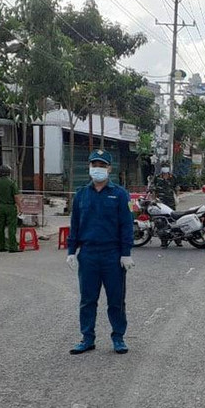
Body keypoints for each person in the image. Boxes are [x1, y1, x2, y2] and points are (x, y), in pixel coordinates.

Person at [66, 150, 135, 355]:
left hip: (112, 254)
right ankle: (87, 338)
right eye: (94, 165)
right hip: (88, 254)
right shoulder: (81, 195)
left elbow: (127, 225)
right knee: (87, 299)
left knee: (116, 299)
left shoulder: (120, 194)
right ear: (89, 167)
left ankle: (118, 337)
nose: (98, 169)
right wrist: (71, 250)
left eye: (102, 165)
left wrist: (126, 252)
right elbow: (75, 224)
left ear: (109, 169)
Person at [0, 164, 22, 253]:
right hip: (10, 206)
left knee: (0, 226)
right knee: (11, 227)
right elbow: (16, 196)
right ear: (9, 173)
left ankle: (0, 246)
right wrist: (20, 207)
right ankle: (13, 247)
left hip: (0, 206)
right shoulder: (11, 182)